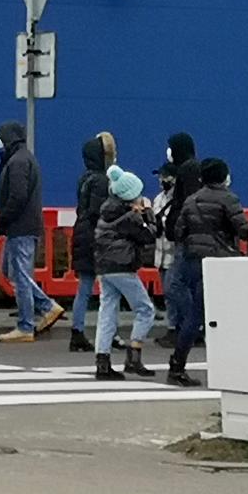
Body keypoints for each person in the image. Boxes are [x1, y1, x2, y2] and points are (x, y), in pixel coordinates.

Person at [169, 158, 248, 386]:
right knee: (233, 314)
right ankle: (238, 365)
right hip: (221, 264)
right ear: (223, 176)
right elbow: (245, 230)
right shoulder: (228, 198)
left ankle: (177, 365)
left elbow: (179, 232)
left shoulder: (191, 200)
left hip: (193, 262)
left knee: (194, 316)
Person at [0, 121, 60, 342]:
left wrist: (3, 218)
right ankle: (46, 306)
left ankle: (26, 326)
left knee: (20, 276)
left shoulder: (18, 162)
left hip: (20, 227)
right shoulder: (23, 158)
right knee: (11, 271)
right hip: (23, 226)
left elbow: (17, 196)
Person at [92, 166, 158, 380]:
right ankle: (134, 355)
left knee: (107, 312)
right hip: (122, 267)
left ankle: (103, 363)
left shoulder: (107, 211)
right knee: (145, 310)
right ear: (130, 195)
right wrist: (148, 212)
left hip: (104, 267)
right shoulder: (130, 217)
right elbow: (150, 235)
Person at [154, 133, 202, 349]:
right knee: (188, 285)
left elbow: (184, 205)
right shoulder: (193, 168)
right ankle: (191, 327)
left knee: (174, 285)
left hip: (185, 240)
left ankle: (192, 325)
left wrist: (178, 228)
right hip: (189, 239)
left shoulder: (187, 171)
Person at [70, 132, 116, 352]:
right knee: (109, 286)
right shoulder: (101, 181)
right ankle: (109, 332)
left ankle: (77, 330)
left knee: (84, 286)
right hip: (95, 236)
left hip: (81, 232)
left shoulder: (84, 178)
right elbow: (101, 211)